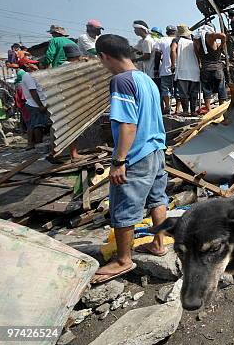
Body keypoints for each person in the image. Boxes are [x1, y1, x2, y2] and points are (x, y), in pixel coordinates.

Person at [92, 34, 168, 284]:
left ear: (104, 56)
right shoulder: (146, 79)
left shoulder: (121, 81)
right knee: (157, 198)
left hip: (137, 155)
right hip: (157, 149)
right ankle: (159, 243)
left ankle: (124, 259)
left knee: (124, 206)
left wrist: (119, 161)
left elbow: (127, 124)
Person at [62, 44, 88, 161]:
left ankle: (60, 153)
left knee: (70, 129)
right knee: (73, 129)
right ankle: (74, 154)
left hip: (66, 102)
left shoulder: (63, 66)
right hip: (72, 103)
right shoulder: (72, 68)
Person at [170, 25, 200, 116]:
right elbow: (198, 53)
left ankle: (186, 111)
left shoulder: (177, 40)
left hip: (183, 70)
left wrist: (173, 64)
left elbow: (172, 50)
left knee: (183, 93)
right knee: (193, 93)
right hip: (194, 70)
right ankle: (194, 111)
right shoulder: (192, 42)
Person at [20, 57, 48, 149]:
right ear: (26, 65)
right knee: (37, 125)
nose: (35, 65)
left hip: (34, 103)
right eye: (32, 63)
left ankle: (32, 144)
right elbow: (33, 91)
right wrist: (40, 105)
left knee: (34, 124)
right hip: (34, 104)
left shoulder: (30, 75)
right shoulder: (27, 76)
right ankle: (37, 144)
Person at [199, 27, 228, 112]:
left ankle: (209, 110)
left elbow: (197, 54)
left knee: (207, 90)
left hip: (205, 69)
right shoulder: (211, 38)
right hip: (217, 69)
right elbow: (223, 36)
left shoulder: (197, 41)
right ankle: (221, 109)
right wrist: (222, 45)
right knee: (221, 89)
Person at [154, 25, 177, 114]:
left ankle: (167, 107)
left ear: (167, 32)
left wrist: (156, 69)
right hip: (178, 70)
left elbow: (157, 55)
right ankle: (177, 109)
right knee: (178, 89)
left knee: (165, 89)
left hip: (165, 69)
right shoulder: (179, 40)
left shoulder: (161, 40)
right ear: (175, 32)